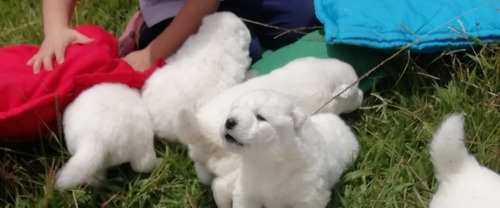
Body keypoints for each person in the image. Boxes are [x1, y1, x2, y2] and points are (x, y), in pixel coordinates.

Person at [28, 0, 320, 74]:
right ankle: (143, 28)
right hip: (169, 9)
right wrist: (56, 30)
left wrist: (150, 55)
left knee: (305, 21)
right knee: (241, 55)